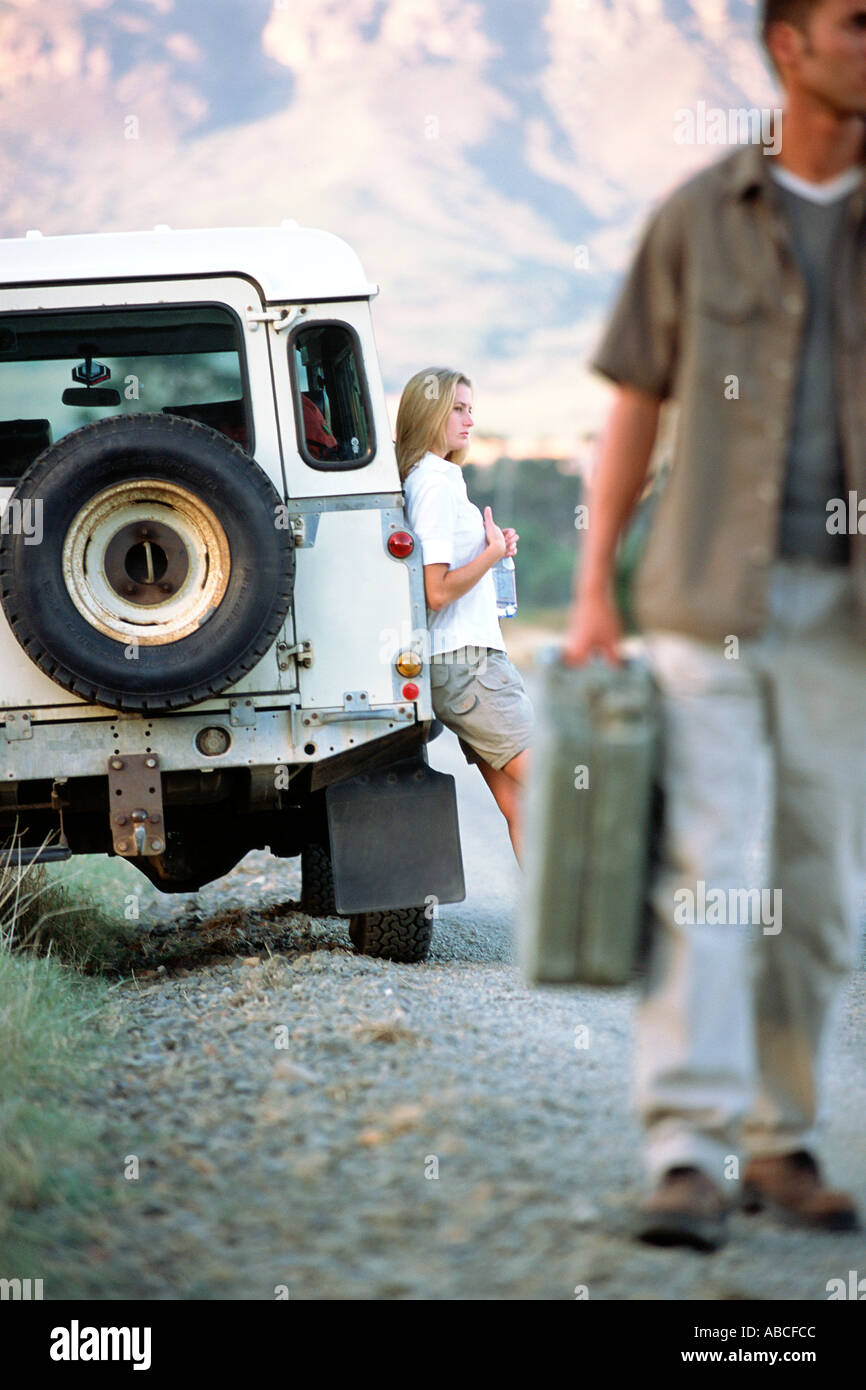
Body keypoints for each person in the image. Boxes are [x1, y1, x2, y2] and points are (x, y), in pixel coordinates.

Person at [563, 0, 866, 1250]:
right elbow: (632, 403)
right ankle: (683, 1151)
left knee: (813, 889)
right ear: (787, 47)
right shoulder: (696, 217)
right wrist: (591, 588)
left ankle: (777, 1141)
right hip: (701, 603)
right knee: (712, 872)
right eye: (857, 21)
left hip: (840, 617)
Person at [396, 368, 532, 860]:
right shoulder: (433, 483)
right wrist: (490, 555)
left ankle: (552, 933)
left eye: (471, 408)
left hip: (459, 666)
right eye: (458, 408)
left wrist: (492, 547)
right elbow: (436, 591)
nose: (469, 419)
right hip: (471, 667)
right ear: (428, 412)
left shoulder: (433, 479)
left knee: (523, 807)